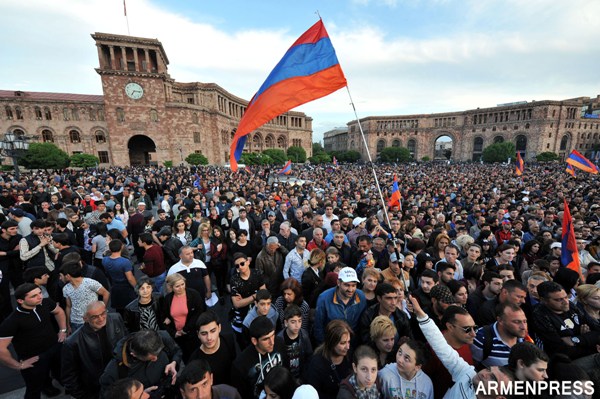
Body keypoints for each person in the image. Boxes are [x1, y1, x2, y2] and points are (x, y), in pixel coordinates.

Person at [408, 294, 515, 399]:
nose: (484, 374)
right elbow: (441, 346)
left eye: (493, 379)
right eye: (488, 369)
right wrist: (421, 315)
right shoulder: (467, 374)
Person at [0, 283, 67, 399]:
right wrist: (18, 365)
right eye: (34, 296)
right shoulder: (12, 321)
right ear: (21, 301)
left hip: (55, 348)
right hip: (34, 358)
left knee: (64, 374)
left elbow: (59, 312)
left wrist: (63, 330)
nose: (40, 297)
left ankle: (54, 388)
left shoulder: (45, 303)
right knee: (34, 390)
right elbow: (1, 349)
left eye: (40, 293)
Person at [61, 301, 127, 399]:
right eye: (94, 317)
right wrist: (82, 396)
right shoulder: (72, 342)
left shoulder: (116, 318)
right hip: (94, 389)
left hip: (120, 381)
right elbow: (69, 376)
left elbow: (126, 341)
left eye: (103, 313)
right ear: (85, 319)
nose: (101, 318)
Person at [99, 329, 183, 396]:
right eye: (152, 358)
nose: (156, 359)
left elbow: (177, 351)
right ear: (134, 354)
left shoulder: (162, 337)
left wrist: (174, 362)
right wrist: (139, 395)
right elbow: (106, 395)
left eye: (158, 353)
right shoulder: (114, 370)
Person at [422, 305, 476, 399]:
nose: (473, 334)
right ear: (450, 327)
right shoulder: (430, 350)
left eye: (474, 328)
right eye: (467, 329)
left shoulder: (467, 342)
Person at [231, 316, 289, 399]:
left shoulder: (280, 343)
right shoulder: (240, 365)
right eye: (266, 339)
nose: (272, 342)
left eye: (273, 335)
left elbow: (286, 370)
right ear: (254, 341)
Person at [314, 267, 367, 344]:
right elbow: (318, 327)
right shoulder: (324, 298)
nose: (350, 289)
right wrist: (325, 347)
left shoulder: (361, 296)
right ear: (338, 283)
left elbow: (363, 323)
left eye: (353, 285)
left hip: (353, 343)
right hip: (332, 343)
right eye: (347, 285)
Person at [161, 273, 205, 363]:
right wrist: (174, 333)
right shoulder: (168, 299)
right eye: (177, 286)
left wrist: (185, 329)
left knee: (198, 357)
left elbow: (199, 313)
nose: (181, 288)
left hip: (193, 334)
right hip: (178, 337)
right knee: (185, 358)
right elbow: (163, 318)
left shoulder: (194, 294)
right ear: (171, 287)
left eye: (182, 284)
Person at [306, 319, 353, 399]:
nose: (347, 347)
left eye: (348, 342)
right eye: (343, 343)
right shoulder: (316, 364)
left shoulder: (350, 356)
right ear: (331, 342)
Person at [189, 310, 237, 386]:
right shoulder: (195, 359)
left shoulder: (229, 340)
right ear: (198, 334)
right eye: (204, 333)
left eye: (213, 331)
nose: (209, 338)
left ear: (219, 328)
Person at [60, 261, 110, 333]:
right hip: (76, 323)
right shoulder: (66, 288)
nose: (60, 278)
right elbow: (68, 306)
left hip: (92, 321)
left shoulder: (90, 283)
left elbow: (106, 293)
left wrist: (101, 310)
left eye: (61, 275)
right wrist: (68, 325)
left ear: (68, 276)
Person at [230, 252, 266, 348]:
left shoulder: (257, 274)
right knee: (244, 344)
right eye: (237, 266)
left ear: (248, 262)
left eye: (242, 263)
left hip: (258, 313)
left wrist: (245, 300)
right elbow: (237, 304)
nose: (240, 267)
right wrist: (255, 296)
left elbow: (263, 294)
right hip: (241, 317)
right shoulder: (234, 280)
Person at [277, 304, 312, 380]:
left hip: (301, 375)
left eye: (299, 321)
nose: (297, 325)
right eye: (293, 322)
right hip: (285, 377)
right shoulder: (279, 339)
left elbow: (309, 356)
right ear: (286, 323)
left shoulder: (304, 335)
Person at [103, 239, 136, 314]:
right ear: (121, 247)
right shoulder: (125, 262)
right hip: (126, 288)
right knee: (130, 308)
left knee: (119, 310)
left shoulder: (104, 260)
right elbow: (130, 278)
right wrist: (136, 287)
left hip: (114, 286)